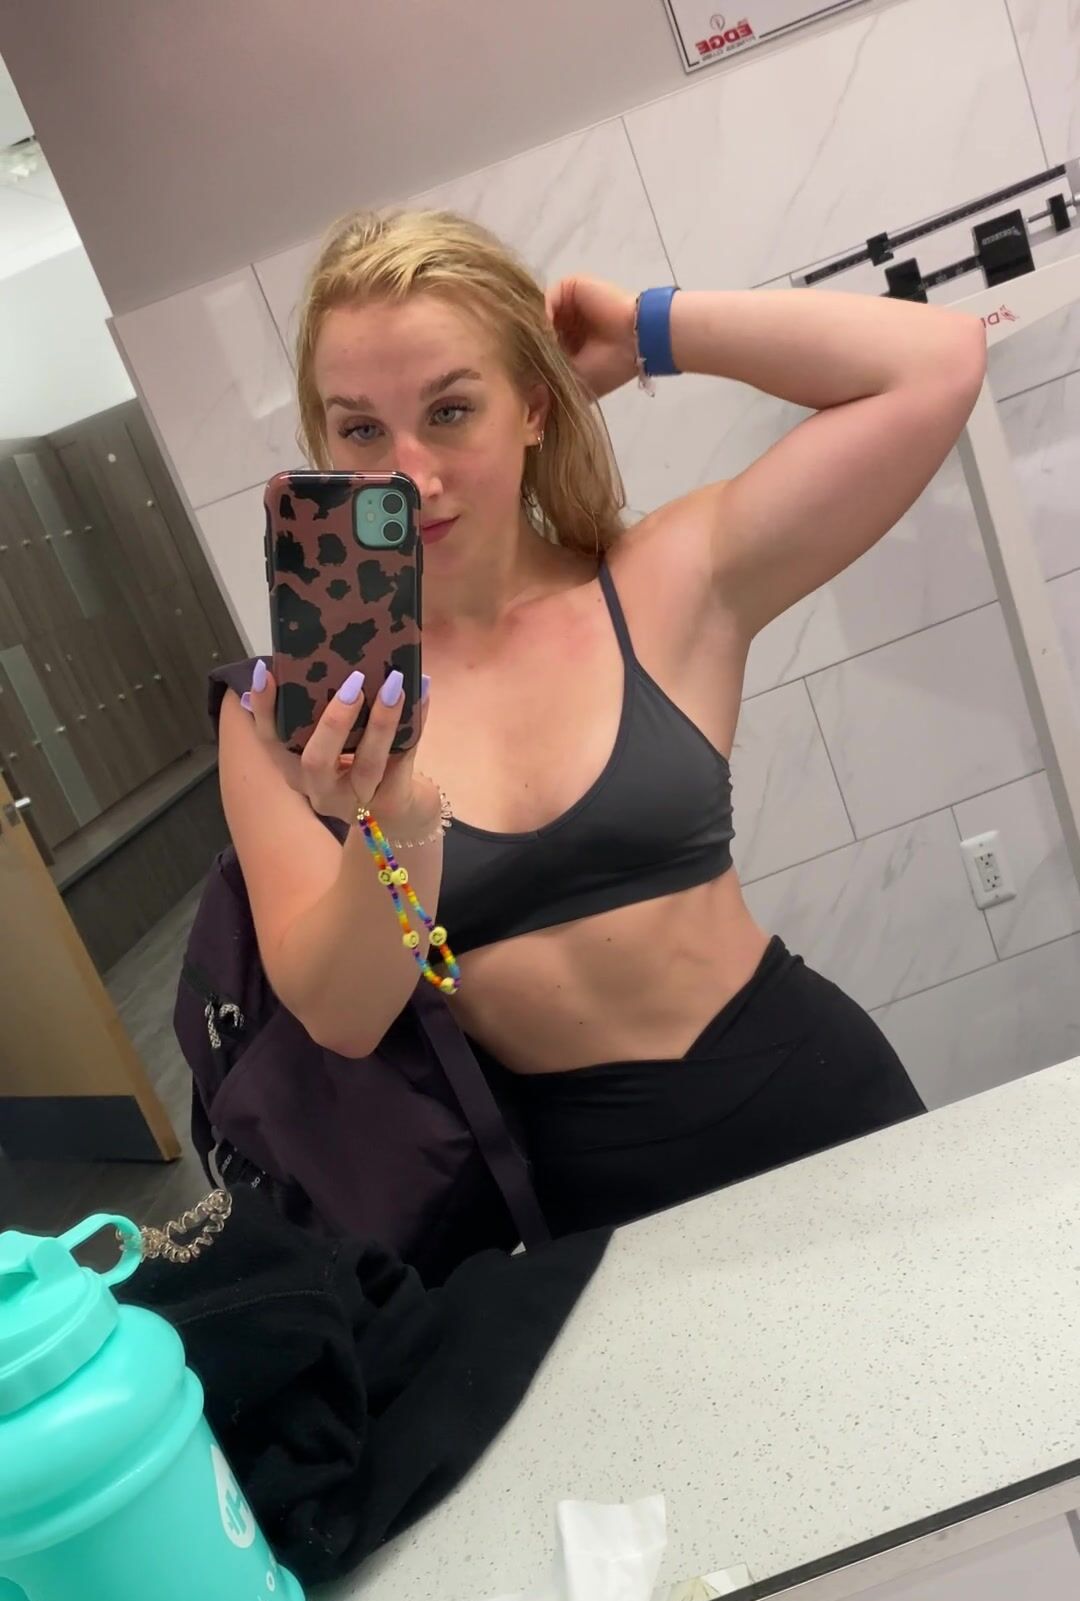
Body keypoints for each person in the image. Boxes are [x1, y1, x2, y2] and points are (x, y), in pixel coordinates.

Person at [219, 208, 987, 1237]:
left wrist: (649, 329)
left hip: (816, 1094)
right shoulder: (289, 717)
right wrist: (391, 814)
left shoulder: (664, 584)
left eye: (451, 410)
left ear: (535, 409)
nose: (411, 474)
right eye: (360, 429)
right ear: (321, 445)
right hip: (586, 1195)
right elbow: (344, 1016)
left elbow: (937, 363)